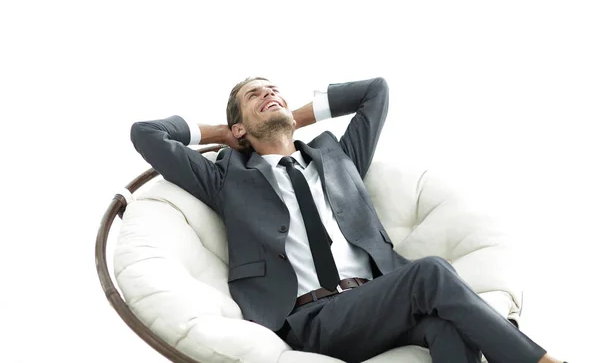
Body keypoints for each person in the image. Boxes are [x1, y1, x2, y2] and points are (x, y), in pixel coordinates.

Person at [130, 77, 566, 363]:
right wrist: (224, 134)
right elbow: (146, 133)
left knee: (446, 326)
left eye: (274, 89)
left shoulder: (339, 159)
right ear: (239, 128)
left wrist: (288, 117)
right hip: (312, 321)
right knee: (430, 272)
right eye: (254, 95)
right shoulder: (226, 178)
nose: (269, 94)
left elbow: (375, 91)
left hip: (376, 302)